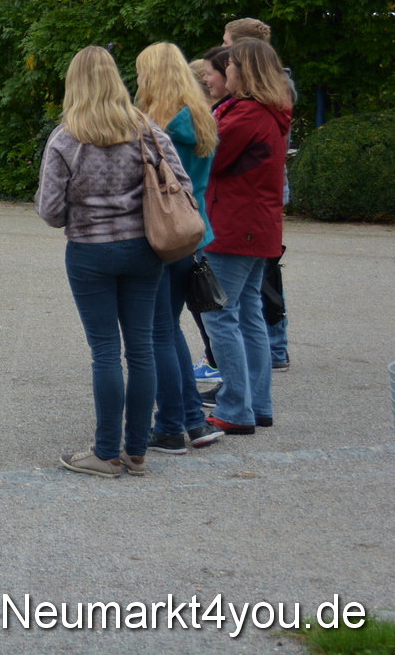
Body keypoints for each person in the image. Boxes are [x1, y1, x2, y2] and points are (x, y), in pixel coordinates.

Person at [36, 45, 191, 479]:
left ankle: (105, 453)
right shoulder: (146, 130)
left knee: (105, 350)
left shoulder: (66, 137)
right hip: (145, 249)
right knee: (140, 349)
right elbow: (180, 184)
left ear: (74, 84)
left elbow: (50, 210)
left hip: (89, 252)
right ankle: (137, 451)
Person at [133, 44, 225, 455]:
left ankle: (171, 424)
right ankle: (191, 419)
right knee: (168, 330)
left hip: (162, 233)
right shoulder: (201, 118)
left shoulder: (160, 127)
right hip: (191, 231)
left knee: (157, 333)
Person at [199, 38, 292, 435]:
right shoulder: (270, 111)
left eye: (231, 64)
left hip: (236, 227)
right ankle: (256, 404)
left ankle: (236, 408)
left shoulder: (247, 113)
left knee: (220, 314)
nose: (226, 70)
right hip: (257, 227)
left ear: (244, 70)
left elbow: (209, 154)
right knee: (249, 315)